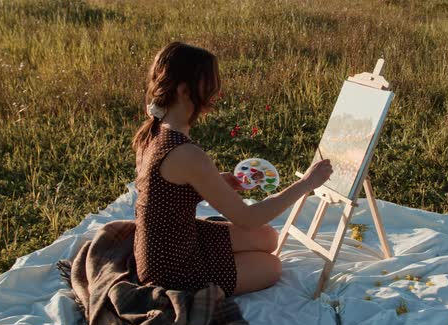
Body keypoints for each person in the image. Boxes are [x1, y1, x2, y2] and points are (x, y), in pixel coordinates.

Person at [132, 41, 333, 297]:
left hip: (172, 240)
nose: (217, 91)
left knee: (268, 238)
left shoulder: (157, 130)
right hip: (171, 269)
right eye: (210, 84)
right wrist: (306, 183)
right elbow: (248, 219)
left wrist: (216, 182)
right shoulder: (186, 153)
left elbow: (170, 190)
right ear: (184, 91)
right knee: (271, 267)